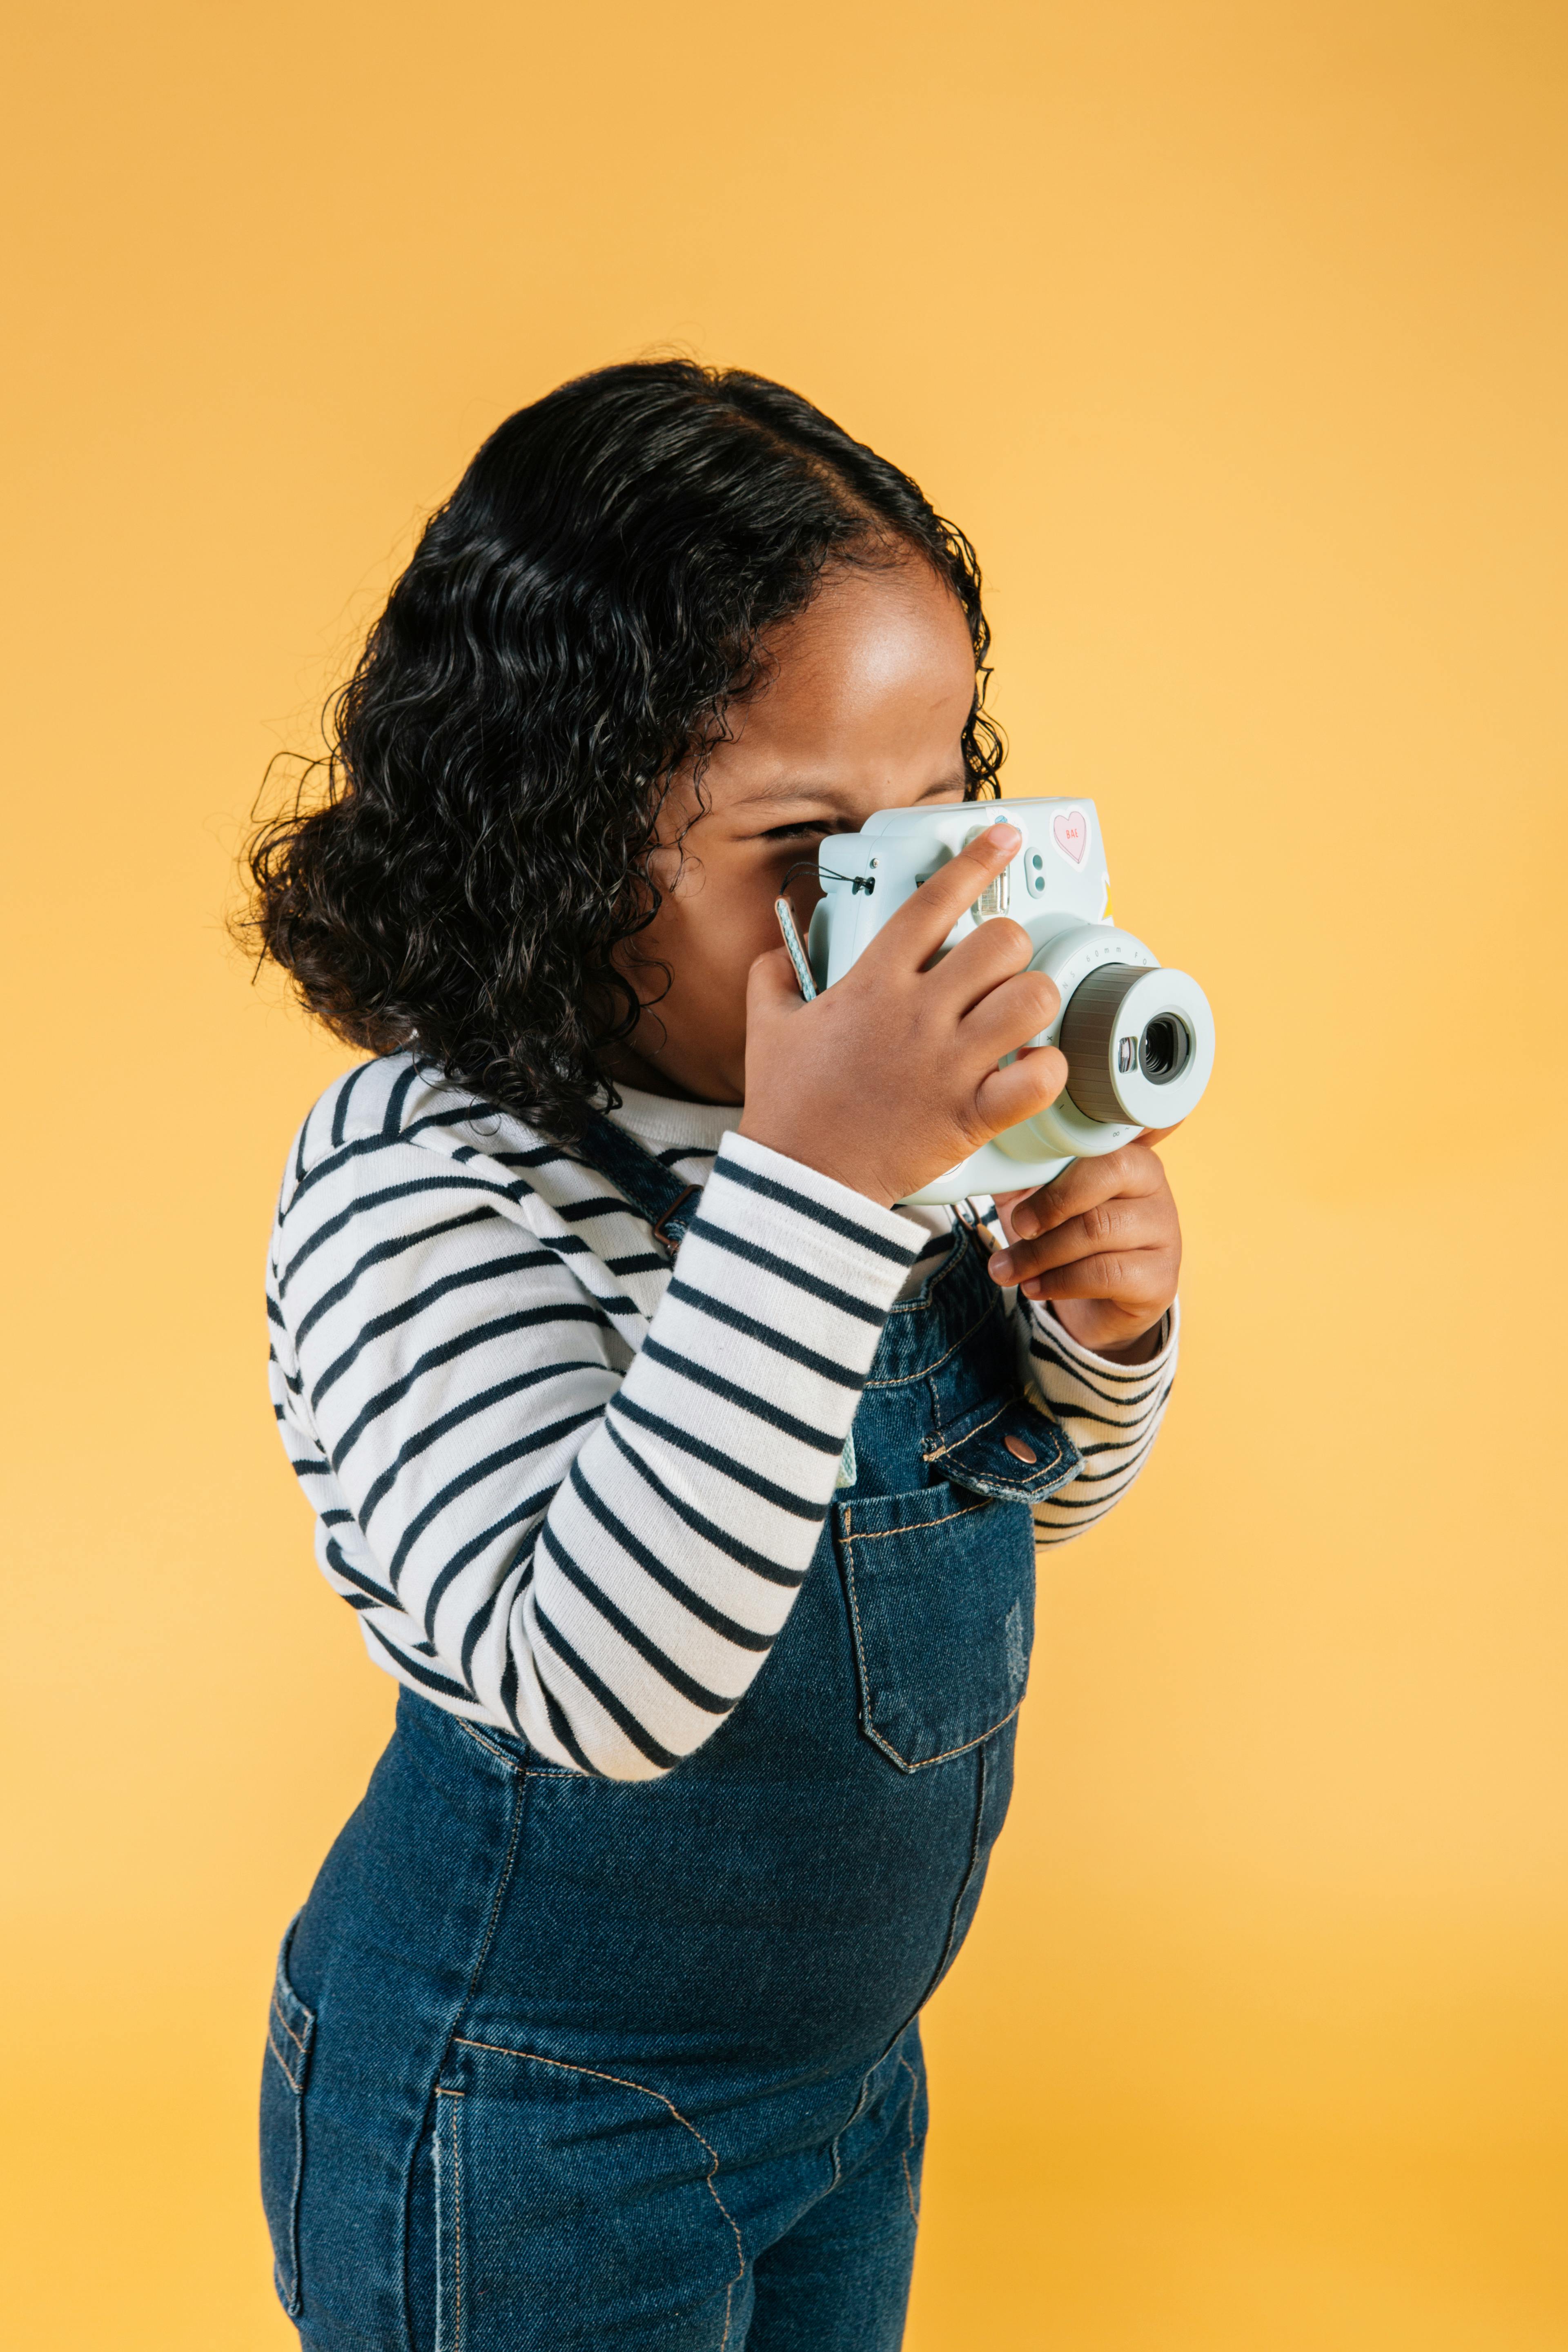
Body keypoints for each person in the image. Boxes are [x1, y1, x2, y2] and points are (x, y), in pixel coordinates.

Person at [250, 361, 1183, 2352]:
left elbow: (1005, 1521)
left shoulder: (885, 1148)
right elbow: (604, 1690)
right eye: (805, 845)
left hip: (840, 2087)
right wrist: (823, 1188)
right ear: (557, 837)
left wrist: (1093, 1339)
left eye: (941, 821)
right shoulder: (429, 1185)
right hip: (529, 2121)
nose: (903, 917)